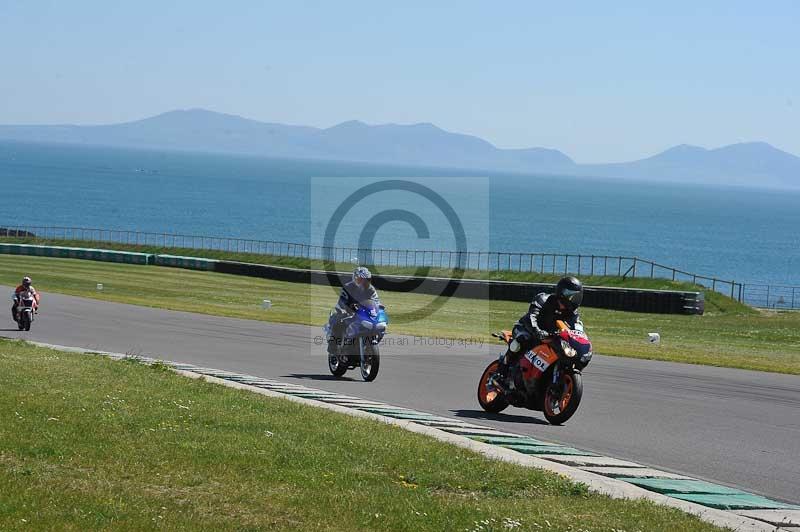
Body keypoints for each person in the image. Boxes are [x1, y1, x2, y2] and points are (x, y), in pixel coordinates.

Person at [497, 276, 584, 378]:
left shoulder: (573, 313)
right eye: (571, 296)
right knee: (521, 341)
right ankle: (502, 370)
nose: (573, 300)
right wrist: (537, 331)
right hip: (527, 329)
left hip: (550, 336)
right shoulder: (543, 299)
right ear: (562, 292)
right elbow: (531, 316)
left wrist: (580, 340)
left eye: (577, 297)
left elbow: (577, 328)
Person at [326, 266, 381, 354]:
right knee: (339, 323)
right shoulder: (348, 287)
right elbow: (342, 301)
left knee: (376, 324)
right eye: (360, 279)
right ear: (355, 279)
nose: (363, 282)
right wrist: (345, 309)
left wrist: (378, 307)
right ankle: (333, 348)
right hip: (347, 312)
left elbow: (375, 301)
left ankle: (366, 347)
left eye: (366, 280)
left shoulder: (371, 289)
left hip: (362, 313)